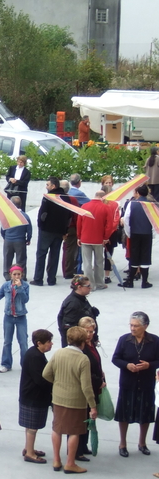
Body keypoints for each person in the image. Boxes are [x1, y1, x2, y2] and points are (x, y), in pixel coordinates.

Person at [42, 326, 97, 473]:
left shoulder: (59, 353)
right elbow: (86, 386)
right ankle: (70, 463)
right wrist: (93, 406)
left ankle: (56, 460)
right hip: (76, 401)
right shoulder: (83, 359)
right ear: (83, 341)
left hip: (58, 398)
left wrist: (58, 383)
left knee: (57, 428)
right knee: (74, 431)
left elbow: (46, 373)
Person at [112, 311, 159, 457]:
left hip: (146, 384)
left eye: (136, 326)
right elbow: (115, 358)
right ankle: (123, 443)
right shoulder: (124, 340)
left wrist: (149, 366)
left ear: (145, 326)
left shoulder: (155, 341)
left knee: (144, 415)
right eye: (131, 325)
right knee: (124, 415)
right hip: (128, 383)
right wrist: (127, 366)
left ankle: (142, 443)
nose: (132, 329)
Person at [18, 329, 54, 464]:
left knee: (30, 426)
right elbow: (40, 380)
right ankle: (30, 453)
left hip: (29, 395)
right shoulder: (36, 357)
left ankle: (28, 448)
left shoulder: (35, 353)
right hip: (33, 396)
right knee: (32, 426)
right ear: (39, 343)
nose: (51, 344)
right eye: (49, 342)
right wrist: (53, 389)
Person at [31, 177, 72, 286]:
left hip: (46, 230)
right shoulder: (66, 198)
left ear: (53, 186)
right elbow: (69, 216)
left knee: (41, 254)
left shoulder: (48, 197)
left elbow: (43, 214)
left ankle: (38, 279)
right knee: (55, 255)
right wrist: (65, 230)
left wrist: (41, 225)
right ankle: (51, 279)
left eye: (48, 185)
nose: (46, 187)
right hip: (59, 231)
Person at [78, 316, 104, 459]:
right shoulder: (81, 347)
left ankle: (83, 445)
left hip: (95, 384)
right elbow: (85, 372)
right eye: (87, 331)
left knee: (89, 418)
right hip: (86, 388)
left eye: (92, 331)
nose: (90, 334)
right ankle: (78, 450)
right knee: (83, 418)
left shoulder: (91, 343)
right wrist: (99, 381)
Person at [121, 185, 154, 288]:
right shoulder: (151, 204)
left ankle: (130, 281)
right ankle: (145, 281)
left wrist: (128, 232)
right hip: (147, 233)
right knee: (145, 256)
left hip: (135, 232)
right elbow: (154, 221)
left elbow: (126, 219)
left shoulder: (132, 203)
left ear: (138, 193)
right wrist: (152, 233)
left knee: (134, 255)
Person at [57, 275, 99, 347]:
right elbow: (68, 328)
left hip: (84, 340)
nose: (90, 288)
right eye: (88, 286)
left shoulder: (81, 298)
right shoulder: (73, 303)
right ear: (79, 287)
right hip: (78, 344)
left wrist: (91, 313)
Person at [0, 196, 31, 280]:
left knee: (7, 258)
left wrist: (5, 237)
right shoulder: (25, 216)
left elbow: (2, 229)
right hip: (20, 241)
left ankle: (7, 275)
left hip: (8, 240)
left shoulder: (7, 216)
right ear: (20, 204)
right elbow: (29, 230)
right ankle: (22, 275)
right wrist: (28, 239)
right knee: (21, 259)